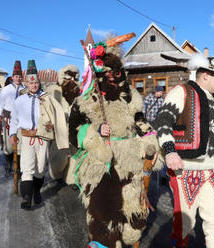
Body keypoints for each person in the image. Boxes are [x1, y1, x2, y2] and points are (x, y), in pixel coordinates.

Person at [68, 34, 161, 248]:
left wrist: (149, 143)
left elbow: (142, 123)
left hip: (129, 163)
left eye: (116, 73)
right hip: (102, 165)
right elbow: (74, 131)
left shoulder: (130, 97)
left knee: (133, 220)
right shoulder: (86, 99)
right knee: (104, 218)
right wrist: (96, 130)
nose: (112, 78)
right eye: (108, 73)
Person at [154, 54, 214, 248]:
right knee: (185, 223)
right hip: (185, 168)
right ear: (205, 75)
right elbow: (163, 121)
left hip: (212, 170)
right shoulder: (182, 92)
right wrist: (170, 151)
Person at [9, 60, 68, 210]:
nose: (34, 85)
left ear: (38, 83)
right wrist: (12, 134)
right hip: (27, 138)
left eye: (36, 83)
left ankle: (36, 191)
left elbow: (56, 115)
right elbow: (14, 120)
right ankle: (27, 198)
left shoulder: (46, 99)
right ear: (27, 83)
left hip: (42, 139)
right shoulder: (20, 100)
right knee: (26, 168)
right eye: (31, 83)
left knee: (40, 169)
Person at [0, 61, 25, 176]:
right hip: (8, 119)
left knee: (19, 144)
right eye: (16, 76)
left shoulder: (25, 89)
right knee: (8, 145)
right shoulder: (6, 90)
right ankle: (8, 165)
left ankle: (18, 168)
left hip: (20, 120)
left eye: (20, 76)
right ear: (13, 77)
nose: (18, 78)